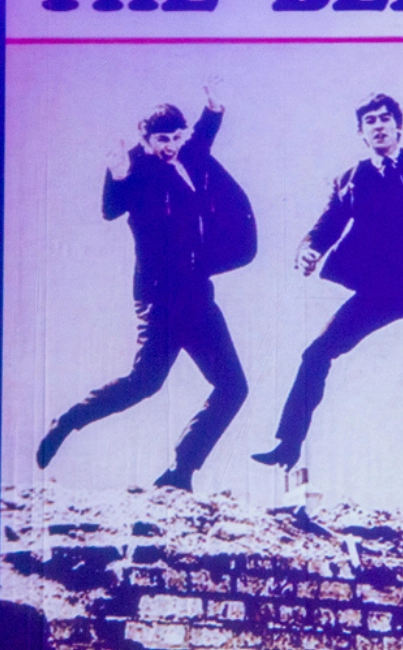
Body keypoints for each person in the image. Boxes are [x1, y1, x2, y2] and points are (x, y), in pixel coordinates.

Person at [253, 93, 403, 475]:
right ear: (361, 133)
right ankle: (288, 444)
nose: (378, 126)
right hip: (377, 291)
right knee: (316, 353)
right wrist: (309, 250)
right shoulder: (351, 179)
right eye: (370, 121)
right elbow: (327, 226)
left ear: (398, 126)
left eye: (384, 118)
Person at [35, 81, 256, 491]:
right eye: (161, 140)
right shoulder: (136, 168)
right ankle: (68, 421)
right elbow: (111, 209)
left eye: (175, 138)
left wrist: (213, 108)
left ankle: (180, 471)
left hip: (197, 297)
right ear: (145, 138)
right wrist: (116, 175)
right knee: (145, 383)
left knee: (233, 387)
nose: (169, 147)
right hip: (159, 299)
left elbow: (202, 137)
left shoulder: (187, 156)